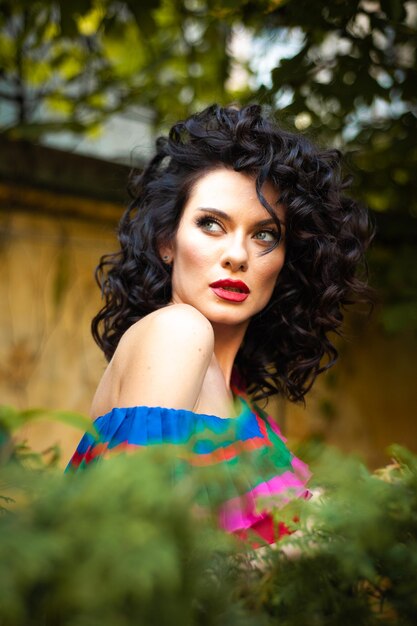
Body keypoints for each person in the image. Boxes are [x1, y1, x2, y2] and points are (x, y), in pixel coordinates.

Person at [67, 104, 373, 545]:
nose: (237, 255)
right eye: (211, 224)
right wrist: (305, 545)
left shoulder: (241, 404)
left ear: (286, 261)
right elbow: (144, 560)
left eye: (265, 234)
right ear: (167, 242)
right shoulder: (177, 332)